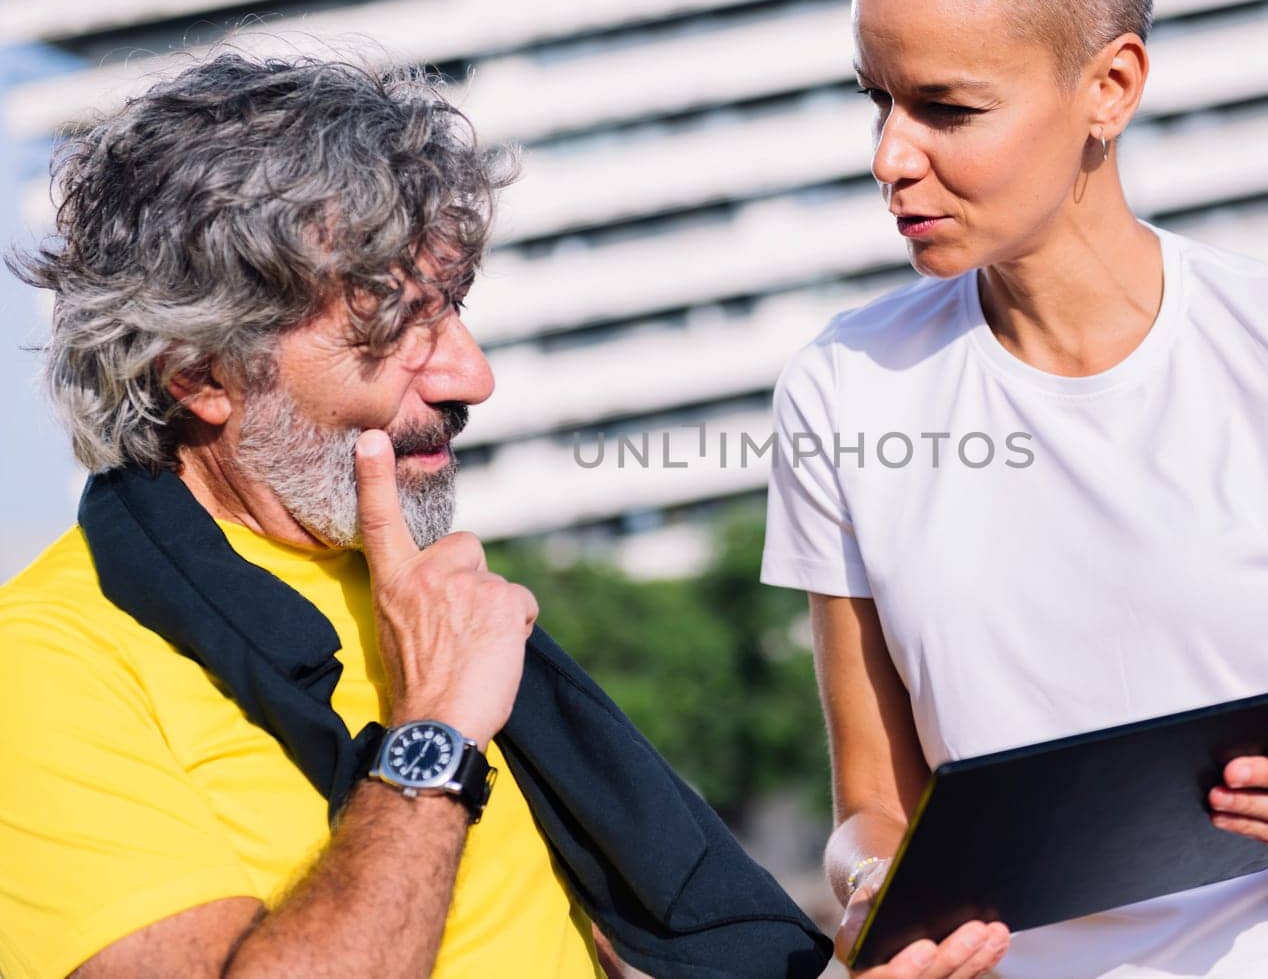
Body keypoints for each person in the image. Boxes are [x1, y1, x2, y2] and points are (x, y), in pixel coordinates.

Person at [760, 0, 1268, 976]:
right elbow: (872, 808)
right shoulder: (839, 391)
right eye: (878, 100)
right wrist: (870, 893)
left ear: (1110, 88)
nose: (891, 155)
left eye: (947, 108)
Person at [0, 54, 828, 979]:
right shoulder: (46, 663)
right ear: (198, 372)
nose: (470, 376)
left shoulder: (420, 580)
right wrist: (435, 732)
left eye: (454, 310)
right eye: (396, 328)